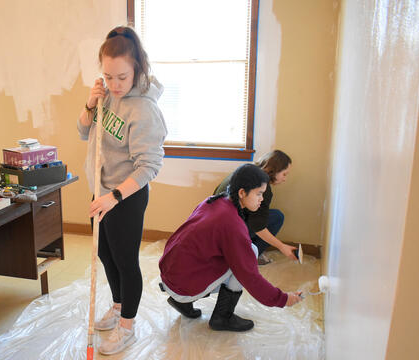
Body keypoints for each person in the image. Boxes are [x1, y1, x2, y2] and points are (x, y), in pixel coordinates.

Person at [77, 26, 167, 355]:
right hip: (100, 191)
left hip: (124, 197)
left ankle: (127, 326)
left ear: (137, 70)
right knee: (105, 254)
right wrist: (90, 103)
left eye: (122, 78)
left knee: (126, 261)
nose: (114, 85)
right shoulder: (106, 97)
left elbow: (149, 167)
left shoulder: (144, 110)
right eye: (108, 76)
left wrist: (113, 197)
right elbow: (84, 133)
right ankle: (117, 307)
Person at [159, 164, 303, 331]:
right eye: (259, 194)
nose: (261, 199)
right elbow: (251, 278)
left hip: (170, 276)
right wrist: (283, 299)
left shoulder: (214, 201)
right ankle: (222, 317)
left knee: (246, 252)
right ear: (242, 193)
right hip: (182, 286)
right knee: (248, 256)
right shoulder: (232, 224)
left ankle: (181, 302)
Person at [214, 150, 296, 263]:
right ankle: (250, 257)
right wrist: (282, 246)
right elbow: (258, 226)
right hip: (228, 231)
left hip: (216, 224)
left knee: (266, 215)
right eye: (284, 174)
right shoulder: (262, 187)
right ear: (275, 170)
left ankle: (242, 250)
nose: (284, 179)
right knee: (277, 217)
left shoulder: (246, 170)